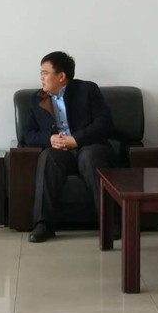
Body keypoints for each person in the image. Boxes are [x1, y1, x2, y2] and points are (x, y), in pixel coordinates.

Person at [24, 51, 114, 242]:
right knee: (48, 156)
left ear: (61, 76)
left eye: (45, 73)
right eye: (41, 73)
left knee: (89, 156)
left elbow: (104, 123)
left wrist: (76, 139)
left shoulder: (88, 90)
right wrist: (50, 139)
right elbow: (28, 134)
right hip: (59, 151)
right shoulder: (37, 99)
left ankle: (109, 221)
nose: (41, 78)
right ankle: (43, 224)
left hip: (88, 145)